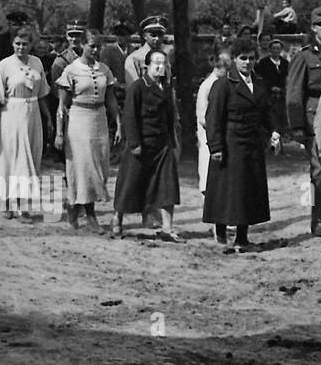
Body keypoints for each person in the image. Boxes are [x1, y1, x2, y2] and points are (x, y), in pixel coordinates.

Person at [204, 38, 280, 252]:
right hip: (230, 144)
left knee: (248, 190)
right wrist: (216, 147)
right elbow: (213, 118)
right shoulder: (223, 84)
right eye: (243, 58)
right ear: (235, 60)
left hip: (253, 143)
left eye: (251, 58)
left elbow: (266, 111)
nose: (248, 62)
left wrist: (274, 130)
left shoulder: (259, 83)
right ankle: (220, 233)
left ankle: (242, 237)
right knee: (226, 189)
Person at [55, 29, 121, 232]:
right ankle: (90, 215)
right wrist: (59, 132)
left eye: (98, 46)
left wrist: (118, 124)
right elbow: (61, 107)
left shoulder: (104, 70)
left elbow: (111, 99)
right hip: (78, 120)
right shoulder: (71, 70)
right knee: (83, 166)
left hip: (99, 119)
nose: (95, 50)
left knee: (100, 164)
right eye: (91, 45)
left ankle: (74, 207)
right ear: (82, 45)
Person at [113, 48, 182, 241]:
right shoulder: (137, 87)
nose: (161, 68)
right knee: (130, 183)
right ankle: (117, 220)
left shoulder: (167, 88)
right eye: (157, 64)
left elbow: (169, 117)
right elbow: (129, 116)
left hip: (162, 145)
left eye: (164, 64)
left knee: (168, 185)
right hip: (141, 145)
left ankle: (167, 228)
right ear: (147, 67)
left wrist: (172, 140)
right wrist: (134, 143)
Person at [287, 6, 321, 237]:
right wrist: (297, 126)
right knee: (319, 171)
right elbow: (293, 94)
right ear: (313, 28)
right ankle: (318, 219)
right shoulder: (304, 56)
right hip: (313, 120)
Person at [0, 27, 53, 221]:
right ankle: (8, 202)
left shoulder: (37, 62)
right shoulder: (5, 65)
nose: (21, 48)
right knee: (11, 157)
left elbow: (42, 94)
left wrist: (47, 118)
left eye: (25, 44)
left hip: (32, 115)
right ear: (12, 44)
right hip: (10, 115)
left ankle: (24, 204)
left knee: (30, 156)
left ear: (31, 45)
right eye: (17, 44)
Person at [197, 49, 232, 195]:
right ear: (218, 68)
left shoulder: (221, 84)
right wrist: (216, 127)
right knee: (207, 169)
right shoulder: (208, 85)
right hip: (209, 135)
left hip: (219, 135)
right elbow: (202, 116)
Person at [255, 38, 290, 135]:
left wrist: (283, 89)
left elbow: (287, 78)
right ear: (270, 50)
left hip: (281, 94)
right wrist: (270, 87)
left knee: (281, 114)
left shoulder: (285, 63)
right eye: (274, 48)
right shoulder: (263, 62)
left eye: (278, 48)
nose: (276, 51)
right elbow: (260, 78)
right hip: (268, 93)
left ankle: (283, 133)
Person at [125, 16, 168, 85]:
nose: (157, 39)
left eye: (160, 35)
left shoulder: (165, 57)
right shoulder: (134, 58)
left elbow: (168, 84)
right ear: (145, 36)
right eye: (153, 35)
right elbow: (133, 88)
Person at [50, 20, 86, 86]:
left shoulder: (95, 57)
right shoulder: (61, 61)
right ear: (67, 36)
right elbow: (56, 88)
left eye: (78, 35)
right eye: (71, 35)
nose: (74, 39)